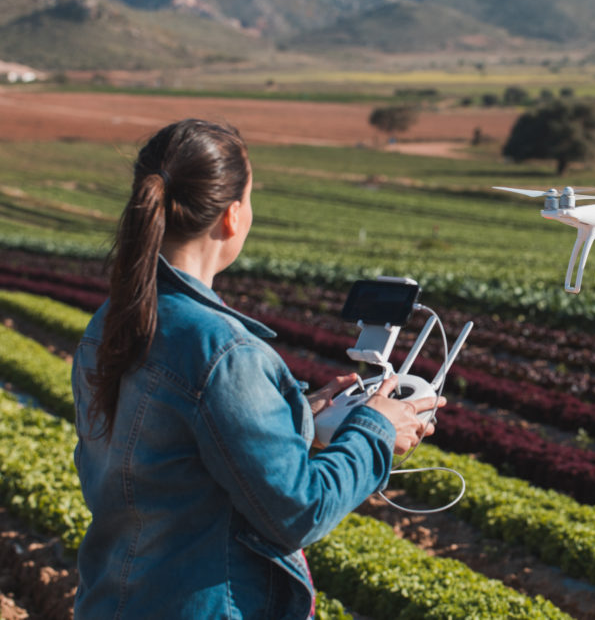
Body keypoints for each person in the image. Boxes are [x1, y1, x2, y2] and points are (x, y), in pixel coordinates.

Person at [70, 118, 441, 619]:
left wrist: (292, 418)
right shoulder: (223, 353)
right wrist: (375, 430)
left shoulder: (112, 321)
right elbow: (299, 511)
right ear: (232, 216)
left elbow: (168, 458)